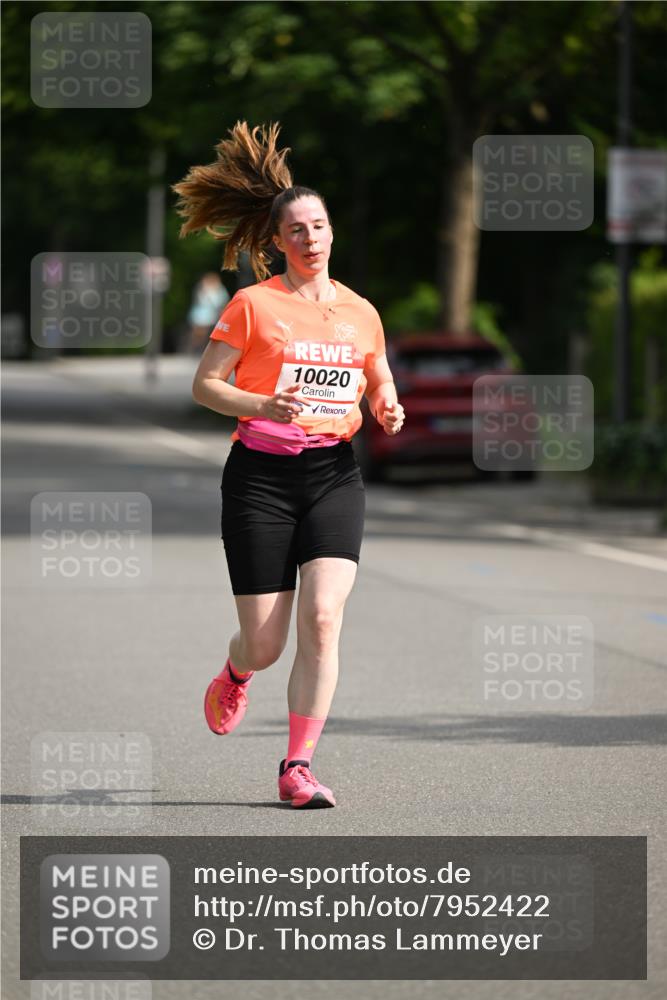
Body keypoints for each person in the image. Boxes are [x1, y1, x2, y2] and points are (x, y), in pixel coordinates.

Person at [172, 121, 405, 808]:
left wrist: (387, 404)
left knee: (325, 618)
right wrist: (262, 403)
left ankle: (296, 767)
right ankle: (236, 672)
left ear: (332, 233)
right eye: (296, 229)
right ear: (276, 241)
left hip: (333, 473)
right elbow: (204, 385)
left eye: (319, 225)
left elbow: (377, 374)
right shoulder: (252, 305)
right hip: (260, 479)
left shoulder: (360, 311)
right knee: (266, 643)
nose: (310, 238)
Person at [186, 272, 229, 353]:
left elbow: (221, 301)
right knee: (198, 332)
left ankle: (201, 349)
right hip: (201, 314)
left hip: (212, 315)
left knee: (207, 333)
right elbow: (200, 301)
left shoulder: (220, 289)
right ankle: (195, 348)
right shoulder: (201, 288)